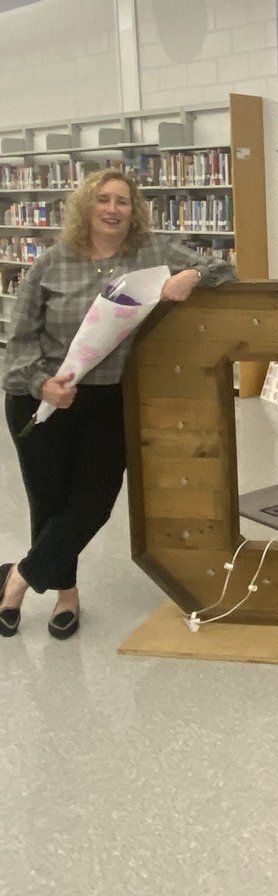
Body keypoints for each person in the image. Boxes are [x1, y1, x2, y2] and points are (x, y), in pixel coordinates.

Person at [0, 169, 234, 639]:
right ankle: (67, 596)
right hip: (42, 400)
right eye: (103, 199)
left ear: (134, 210)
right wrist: (42, 384)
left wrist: (190, 275)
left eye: (122, 201)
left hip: (108, 399)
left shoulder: (151, 252)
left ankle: (17, 579)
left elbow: (225, 270)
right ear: (85, 206)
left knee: (94, 502)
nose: (112, 209)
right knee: (50, 502)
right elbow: (19, 341)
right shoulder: (51, 263)